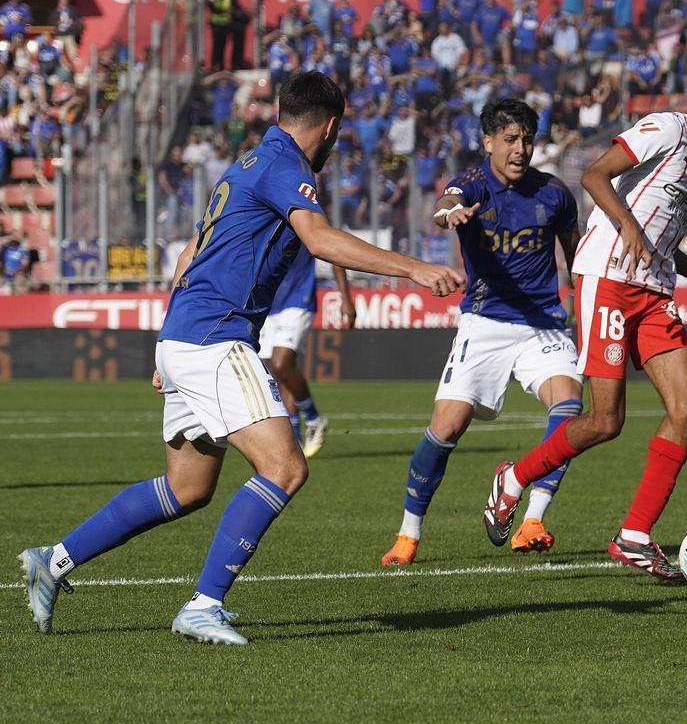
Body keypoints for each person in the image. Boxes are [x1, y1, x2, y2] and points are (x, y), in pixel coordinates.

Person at [17, 72, 465, 645]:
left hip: (186, 335)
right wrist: (414, 268)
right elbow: (321, 241)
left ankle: (52, 560)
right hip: (216, 337)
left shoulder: (246, 165)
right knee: (285, 467)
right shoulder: (287, 169)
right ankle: (204, 605)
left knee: (187, 488)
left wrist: (168, 343)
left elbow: (190, 253)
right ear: (331, 126)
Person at [480, 63, 687, 581]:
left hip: (654, 291)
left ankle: (634, 535)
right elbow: (593, 173)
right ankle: (513, 478)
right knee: (605, 421)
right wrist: (628, 225)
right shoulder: (668, 128)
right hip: (607, 277)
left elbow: (663, 242)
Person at [380, 99, 582, 566]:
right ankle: (409, 534)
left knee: (569, 409)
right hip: (485, 321)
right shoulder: (472, 186)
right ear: (488, 142)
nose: (521, 149)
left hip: (543, 325)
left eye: (528, 139)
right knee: (445, 427)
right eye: (510, 139)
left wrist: (584, 311)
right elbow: (445, 203)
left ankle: (533, 519)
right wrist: (449, 214)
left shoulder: (554, 193)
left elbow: (577, 260)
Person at [257, 246, 354, 457]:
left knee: (282, 363)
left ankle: (314, 418)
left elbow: (334, 252)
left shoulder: (302, 215)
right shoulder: (260, 221)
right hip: (267, 303)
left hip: (298, 300)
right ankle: (295, 443)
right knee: (275, 376)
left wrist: (345, 297)